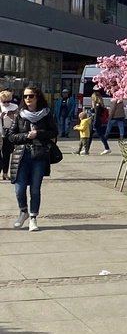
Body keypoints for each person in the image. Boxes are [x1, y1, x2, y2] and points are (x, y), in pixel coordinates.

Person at [8, 86, 59, 231]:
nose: (27, 99)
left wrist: (38, 133)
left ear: (37, 97)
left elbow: (54, 132)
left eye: (30, 96)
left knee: (35, 189)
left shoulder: (46, 114)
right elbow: (11, 135)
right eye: (25, 96)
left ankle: (33, 217)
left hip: (39, 154)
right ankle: (23, 211)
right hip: (21, 155)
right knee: (19, 188)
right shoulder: (19, 114)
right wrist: (26, 136)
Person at [1, 91, 18, 180]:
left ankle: (5, 173)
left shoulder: (14, 107)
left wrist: (12, 118)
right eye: (4, 102)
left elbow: (19, 120)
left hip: (10, 131)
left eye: (8, 101)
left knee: (6, 153)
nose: (6, 103)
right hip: (0, 131)